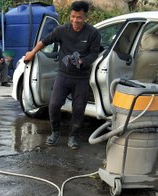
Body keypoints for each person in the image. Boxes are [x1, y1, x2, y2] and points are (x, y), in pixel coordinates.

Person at [24, 1, 101, 150]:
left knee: (79, 108)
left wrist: (82, 61)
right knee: (53, 105)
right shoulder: (62, 30)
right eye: (72, 16)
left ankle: (73, 137)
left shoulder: (93, 33)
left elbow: (94, 54)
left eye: (79, 17)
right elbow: (44, 41)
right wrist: (33, 53)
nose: (75, 20)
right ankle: (55, 132)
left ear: (85, 17)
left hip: (81, 78)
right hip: (63, 75)